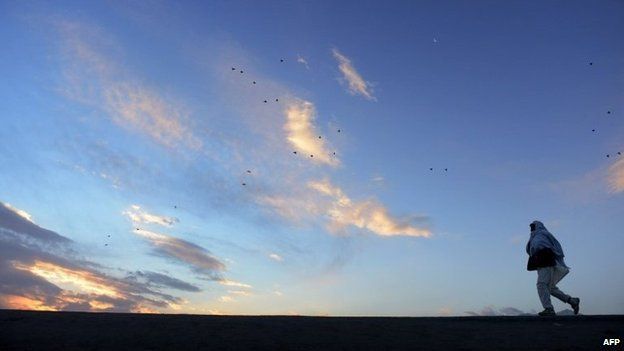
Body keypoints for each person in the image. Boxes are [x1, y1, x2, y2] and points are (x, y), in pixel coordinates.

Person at [526, 220, 580, 316]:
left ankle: (548, 308)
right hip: (541, 262)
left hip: (546, 260)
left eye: (533, 226)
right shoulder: (534, 237)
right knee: (550, 288)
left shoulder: (543, 233)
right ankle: (572, 301)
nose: (531, 228)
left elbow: (552, 245)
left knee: (541, 285)